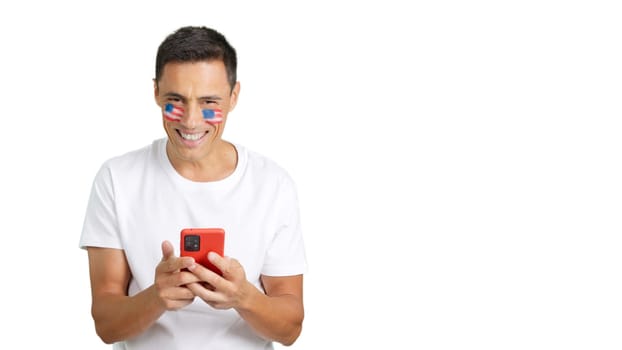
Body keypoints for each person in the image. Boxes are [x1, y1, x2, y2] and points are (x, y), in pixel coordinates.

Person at [79, 26, 307, 349]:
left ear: (234, 96)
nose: (190, 121)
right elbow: (105, 323)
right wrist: (156, 298)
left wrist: (243, 297)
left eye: (209, 102)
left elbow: (291, 328)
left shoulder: (273, 185)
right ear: (156, 93)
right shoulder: (116, 179)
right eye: (175, 101)